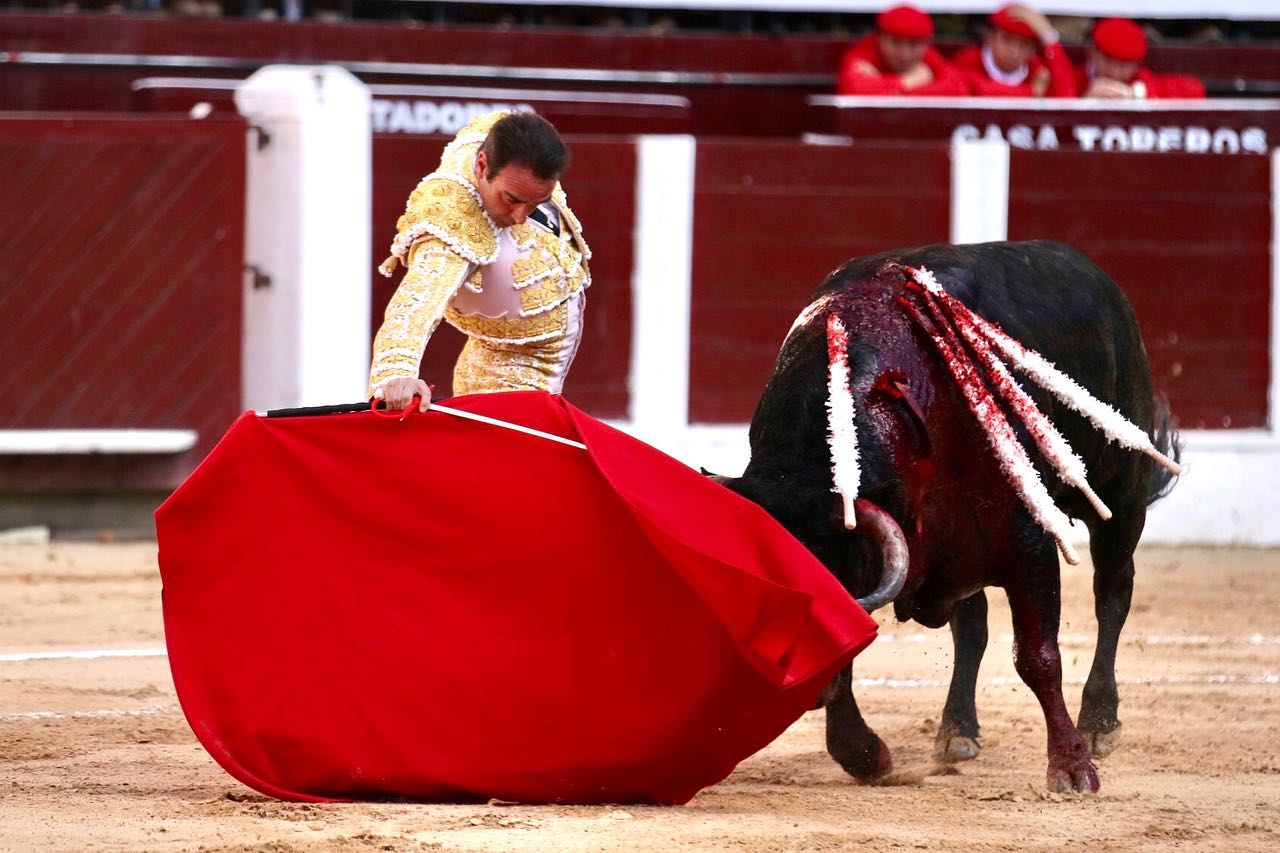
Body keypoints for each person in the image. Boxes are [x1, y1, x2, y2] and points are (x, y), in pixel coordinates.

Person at [369, 110, 590, 412]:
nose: (519, 217)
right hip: (505, 381)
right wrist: (395, 374)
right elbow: (414, 305)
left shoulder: (500, 135)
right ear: (482, 166)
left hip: (504, 363)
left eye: (536, 203)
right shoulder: (452, 223)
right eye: (511, 199)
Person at [837, 4, 967, 97]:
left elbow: (958, 88)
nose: (904, 53)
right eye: (896, 42)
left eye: (914, 44)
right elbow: (853, 89)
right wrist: (911, 81)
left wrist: (886, 89)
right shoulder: (865, 51)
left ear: (926, 42)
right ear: (880, 38)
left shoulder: (928, 55)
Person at [952, 4, 1076, 98]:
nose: (1014, 51)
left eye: (1024, 45)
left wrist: (1049, 36)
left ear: (1033, 50)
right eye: (1007, 40)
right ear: (990, 38)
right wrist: (1030, 91)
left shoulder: (1037, 70)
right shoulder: (968, 60)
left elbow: (1068, 97)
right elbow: (976, 89)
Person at [1076, 18, 1206, 99]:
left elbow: (1195, 90)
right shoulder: (1075, 78)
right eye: (1108, 61)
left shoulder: (1140, 79)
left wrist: (1133, 93)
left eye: (1124, 65)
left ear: (1137, 63)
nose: (1115, 72)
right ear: (1093, 53)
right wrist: (1083, 105)